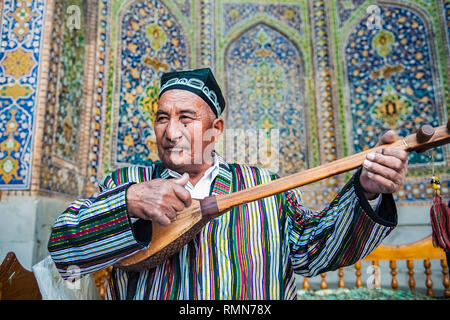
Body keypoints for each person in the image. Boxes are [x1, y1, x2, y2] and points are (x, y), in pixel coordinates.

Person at [48, 68, 408, 299]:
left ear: (214, 130)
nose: (171, 132)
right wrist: (127, 202)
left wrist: (368, 190)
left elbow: (311, 252)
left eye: (186, 118)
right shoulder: (126, 181)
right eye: (162, 118)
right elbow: (64, 254)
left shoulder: (260, 184)